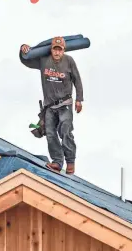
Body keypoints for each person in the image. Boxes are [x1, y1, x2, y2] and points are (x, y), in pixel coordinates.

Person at [19, 36, 84, 175]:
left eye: (59, 50)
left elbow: (77, 80)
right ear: (51, 49)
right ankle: (57, 162)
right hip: (49, 105)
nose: (57, 52)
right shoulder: (44, 60)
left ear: (63, 50)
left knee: (65, 131)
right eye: (55, 49)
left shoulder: (69, 61)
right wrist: (23, 50)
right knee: (50, 133)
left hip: (65, 103)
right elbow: (27, 61)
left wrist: (79, 99)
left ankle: (70, 161)